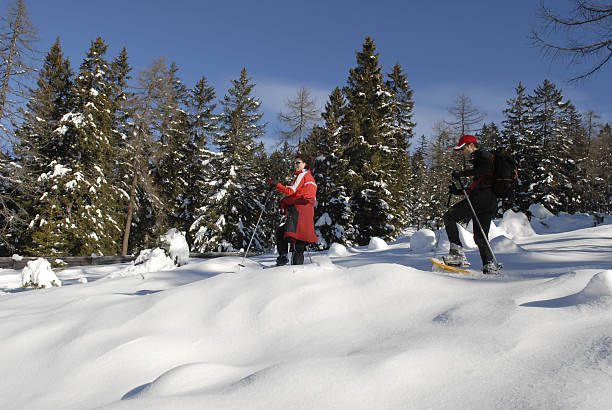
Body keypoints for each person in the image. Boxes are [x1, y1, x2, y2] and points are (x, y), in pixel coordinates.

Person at [443, 134, 500, 274]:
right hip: (489, 201)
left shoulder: (482, 154)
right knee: (480, 235)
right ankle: (489, 265)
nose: (462, 153)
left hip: (482, 198)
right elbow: (478, 184)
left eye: (462, 149)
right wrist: (458, 191)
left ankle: (457, 254)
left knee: (449, 216)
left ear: (470, 145)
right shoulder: (479, 160)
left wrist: (462, 173)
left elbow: (486, 170)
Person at [269, 153, 318, 266]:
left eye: (298, 162)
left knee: (283, 233)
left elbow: (291, 191)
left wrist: (277, 185)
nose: (295, 165)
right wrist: (285, 204)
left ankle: (283, 259)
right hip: (307, 213)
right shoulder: (311, 178)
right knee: (299, 242)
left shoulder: (302, 175)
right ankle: (296, 269)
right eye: (294, 162)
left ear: (305, 164)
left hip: (299, 213)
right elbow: (303, 196)